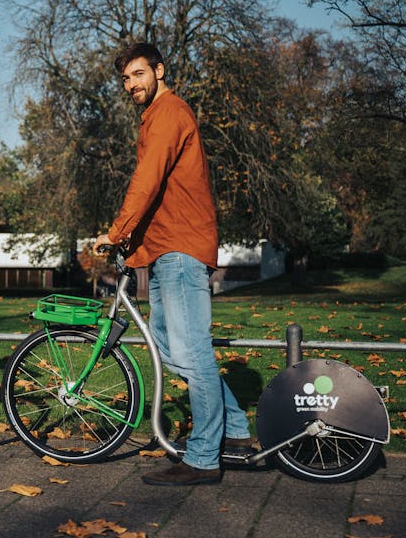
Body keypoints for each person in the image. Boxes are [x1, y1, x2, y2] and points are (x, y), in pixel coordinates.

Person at [92, 43, 252, 486]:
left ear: (159, 70)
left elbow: (147, 180)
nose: (131, 85)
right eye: (125, 79)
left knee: (193, 349)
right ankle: (235, 431)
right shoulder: (155, 117)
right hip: (166, 249)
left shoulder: (168, 113)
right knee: (167, 346)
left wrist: (117, 230)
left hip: (181, 248)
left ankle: (203, 459)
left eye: (138, 74)